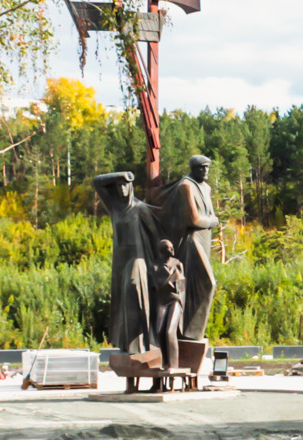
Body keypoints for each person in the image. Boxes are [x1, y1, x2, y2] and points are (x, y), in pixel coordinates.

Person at [93, 172, 161, 364]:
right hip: (120, 260)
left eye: (125, 185)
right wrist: (120, 175)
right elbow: (96, 182)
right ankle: (128, 345)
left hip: (137, 258)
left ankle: (144, 342)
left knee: (135, 292)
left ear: (131, 187)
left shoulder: (140, 209)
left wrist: (160, 262)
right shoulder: (114, 207)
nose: (122, 189)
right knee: (122, 300)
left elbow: (155, 236)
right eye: (119, 186)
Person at [161, 154, 221, 339]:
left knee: (200, 285)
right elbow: (194, 219)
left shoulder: (207, 187)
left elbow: (208, 214)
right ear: (193, 168)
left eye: (207, 167)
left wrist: (210, 220)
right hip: (192, 241)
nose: (205, 171)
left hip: (205, 240)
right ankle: (188, 332)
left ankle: (193, 333)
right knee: (207, 283)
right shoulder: (186, 185)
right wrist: (212, 221)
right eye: (201, 168)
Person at [152, 240, 187, 371]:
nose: (172, 250)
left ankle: (173, 365)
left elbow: (181, 285)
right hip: (162, 301)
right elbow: (159, 285)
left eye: (172, 247)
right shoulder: (155, 265)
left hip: (175, 300)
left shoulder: (177, 263)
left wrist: (174, 280)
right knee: (159, 331)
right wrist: (173, 277)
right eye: (168, 248)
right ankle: (165, 363)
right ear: (161, 250)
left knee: (169, 331)